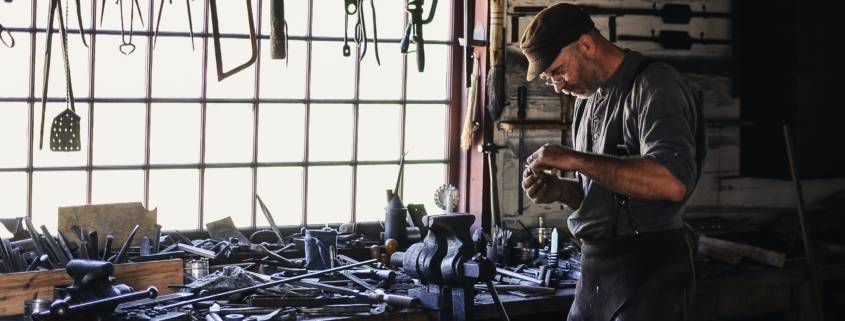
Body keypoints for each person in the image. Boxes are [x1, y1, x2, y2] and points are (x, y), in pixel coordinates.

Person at [519, 3, 706, 321]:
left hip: (649, 271)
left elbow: (672, 182)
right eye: (551, 79)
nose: (559, 86)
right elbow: (605, 196)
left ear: (587, 45)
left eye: (558, 71)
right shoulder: (587, 102)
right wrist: (560, 191)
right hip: (596, 272)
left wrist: (574, 159)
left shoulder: (654, 87)